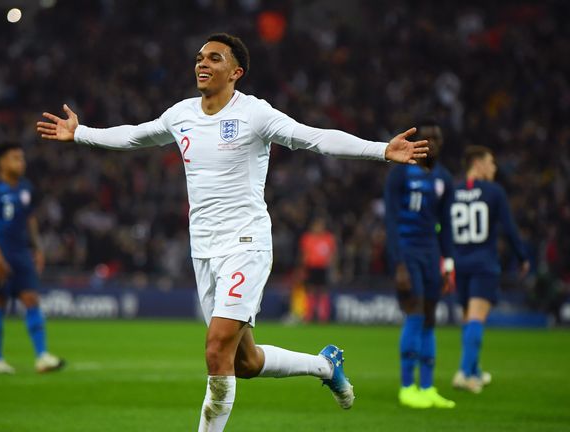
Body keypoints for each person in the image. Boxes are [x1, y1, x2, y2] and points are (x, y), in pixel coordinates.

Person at [37, 33, 428, 431]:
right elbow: (135, 134)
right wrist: (81, 132)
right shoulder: (181, 114)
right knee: (244, 362)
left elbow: (316, 138)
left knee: (214, 348)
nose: (202, 64)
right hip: (203, 250)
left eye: (214, 58)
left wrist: (380, 149)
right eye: (200, 57)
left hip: (246, 243)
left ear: (235, 72)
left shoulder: (255, 114)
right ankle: (325, 365)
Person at [384, 121, 456, 409]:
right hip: (407, 251)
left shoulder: (444, 179)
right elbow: (390, 220)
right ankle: (407, 386)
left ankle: (427, 387)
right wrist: (398, 263)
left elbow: (447, 225)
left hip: (431, 252)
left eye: (438, 138)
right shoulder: (400, 174)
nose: (434, 142)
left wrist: (448, 263)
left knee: (430, 316)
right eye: (429, 138)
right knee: (414, 311)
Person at [0, 142, 65, 374]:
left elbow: (30, 220)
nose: (21, 162)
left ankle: (42, 356)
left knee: (31, 298)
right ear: (2, 162)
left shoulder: (26, 188)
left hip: (21, 253)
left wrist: (37, 248)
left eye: (22, 158)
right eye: (16, 158)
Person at [450, 146, 530, 393]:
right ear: (478, 163)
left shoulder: (453, 192)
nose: (494, 168)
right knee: (476, 319)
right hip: (483, 263)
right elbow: (509, 227)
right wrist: (522, 256)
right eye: (491, 162)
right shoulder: (494, 192)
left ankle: (473, 371)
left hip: (459, 263)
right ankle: (463, 373)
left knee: (468, 318)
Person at [294, 217, 337, 322]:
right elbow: (303, 254)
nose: (318, 228)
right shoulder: (307, 238)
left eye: (320, 225)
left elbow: (333, 255)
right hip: (311, 267)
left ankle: (323, 316)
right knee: (310, 291)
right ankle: (309, 315)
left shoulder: (328, 238)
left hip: (323, 268)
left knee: (323, 291)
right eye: (316, 226)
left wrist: (334, 269)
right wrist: (301, 269)